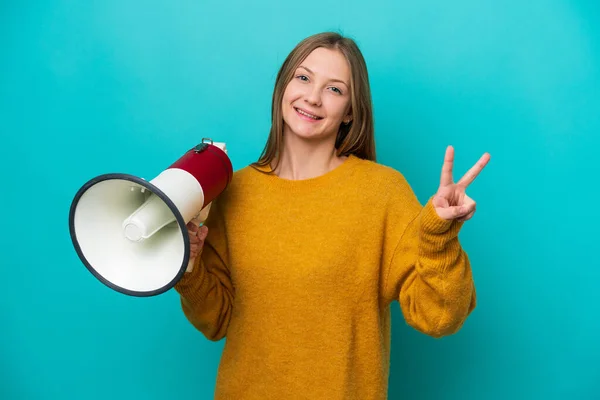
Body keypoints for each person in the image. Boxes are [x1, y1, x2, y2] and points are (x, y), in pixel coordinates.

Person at [174, 31, 490, 400]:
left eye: (334, 89)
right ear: (283, 86)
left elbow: (440, 316)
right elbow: (217, 320)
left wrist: (438, 236)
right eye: (304, 78)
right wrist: (189, 268)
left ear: (351, 111)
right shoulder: (232, 190)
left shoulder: (381, 193)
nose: (312, 97)